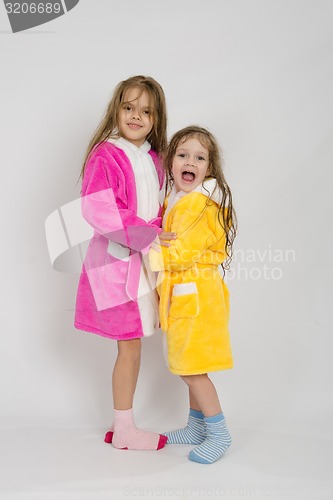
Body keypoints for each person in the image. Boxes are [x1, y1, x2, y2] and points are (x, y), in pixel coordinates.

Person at [74, 75, 175, 451]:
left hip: (145, 261)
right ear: (116, 109)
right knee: (129, 346)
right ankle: (124, 429)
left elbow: (161, 207)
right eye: (129, 107)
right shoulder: (106, 153)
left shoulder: (154, 158)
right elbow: (98, 207)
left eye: (146, 111)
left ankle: (123, 425)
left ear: (156, 118)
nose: (136, 116)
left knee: (136, 344)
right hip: (116, 264)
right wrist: (145, 233)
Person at [149, 125, 237, 464]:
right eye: (183, 155)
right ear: (171, 163)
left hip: (197, 298)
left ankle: (219, 433)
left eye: (200, 158)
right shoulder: (179, 201)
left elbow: (180, 253)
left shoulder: (197, 205)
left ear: (209, 168)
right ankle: (196, 426)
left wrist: (150, 246)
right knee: (189, 361)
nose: (190, 162)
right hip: (191, 296)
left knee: (192, 368)